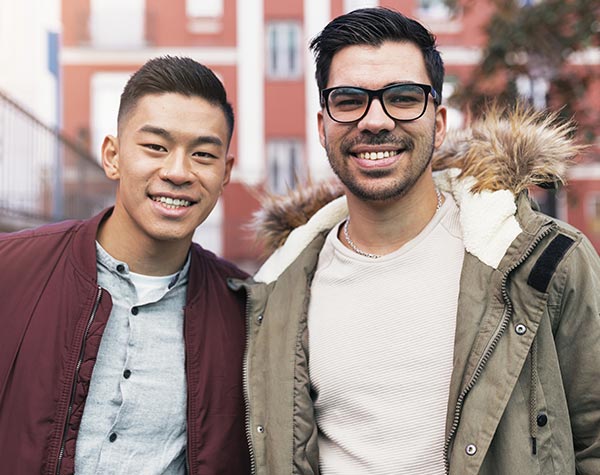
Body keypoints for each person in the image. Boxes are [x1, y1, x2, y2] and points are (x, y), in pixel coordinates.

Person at [230, 7, 600, 475]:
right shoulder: (276, 292)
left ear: (439, 122)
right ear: (322, 126)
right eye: (349, 100)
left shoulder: (544, 262)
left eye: (403, 97)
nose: (376, 120)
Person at [0, 56, 251, 474]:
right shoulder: (12, 271)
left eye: (203, 154)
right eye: (156, 147)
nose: (177, 172)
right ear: (112, 156)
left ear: (225, 173)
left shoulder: (245, 309)